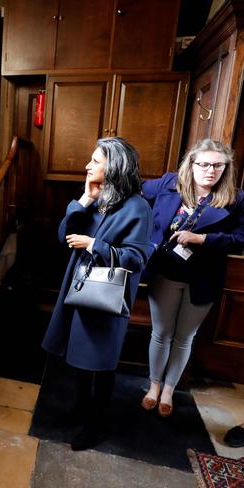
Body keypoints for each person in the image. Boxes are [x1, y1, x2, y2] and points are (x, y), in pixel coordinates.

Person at [42, 137, 154, 451]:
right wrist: (84, 200)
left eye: (96, 161)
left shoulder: (138, 207)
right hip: (79, 287)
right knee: (78, 357)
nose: (88, 166)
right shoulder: (98, 196)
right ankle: (80, 410)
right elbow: (63, 234)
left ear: (115, 166)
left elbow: (136, 258)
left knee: (101, 363)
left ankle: (95, 424)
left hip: (107, 294)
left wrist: (94, 245)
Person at [140, 139, 244, 417]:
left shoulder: (236, 198)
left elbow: (240, 240)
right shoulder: (168, 184)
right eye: (204, 164)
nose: (211, 171)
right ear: (192, 163)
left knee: (185, 337)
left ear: (226, 168)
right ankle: (153, 386)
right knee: (161, 334)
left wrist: (203, 239)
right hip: (165, 272)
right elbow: (135, 194)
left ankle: (169, 390)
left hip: (204, 278)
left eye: (218, 166)